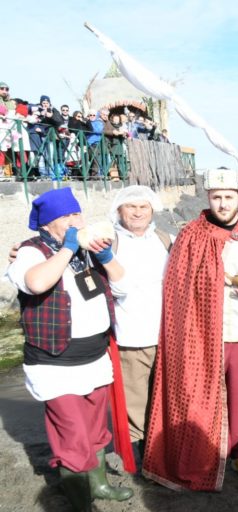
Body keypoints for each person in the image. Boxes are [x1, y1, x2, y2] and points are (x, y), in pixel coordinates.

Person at [6, 188, 133, 510]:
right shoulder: (30, 251)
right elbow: (36, 284)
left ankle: (99, 485)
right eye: (66, 217)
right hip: (54, 362)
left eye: (77, 214)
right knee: (71, 434)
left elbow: (122, 284)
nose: (75, 221)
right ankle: (80, 502)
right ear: (48, 224)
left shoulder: (88, 251)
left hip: (94, 356)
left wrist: (105, 257)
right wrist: (67, 249)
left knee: (94, 428)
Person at [143, 167, 238, 491]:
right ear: (208, 198)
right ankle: (208, 453)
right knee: (200, 395)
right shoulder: (190, 236)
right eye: (217, 197)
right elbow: (178, 287)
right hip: (202, 332)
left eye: (229, 197)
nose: (223, 204)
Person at [108, 186, 173, 470]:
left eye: (143, 207)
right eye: (130, 207)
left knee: (164, 396)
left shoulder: (166, 239)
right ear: (119, 211)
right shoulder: (109, 242)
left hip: (166, 333)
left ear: (152, 210)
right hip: (130, 333)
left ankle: (161, 450)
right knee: (135, 400)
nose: (137, 212)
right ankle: (142, 457)